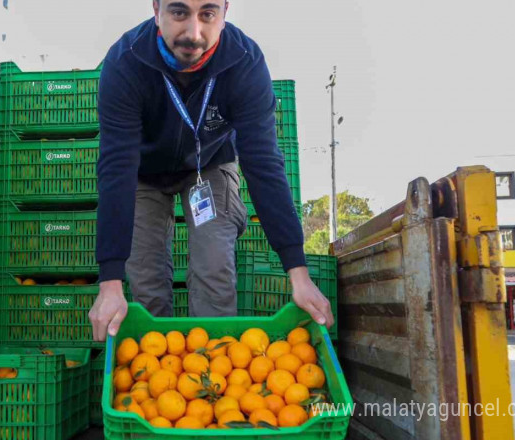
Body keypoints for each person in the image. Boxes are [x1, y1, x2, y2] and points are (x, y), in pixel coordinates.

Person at [89, 0, 334, 341]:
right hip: (142, 172)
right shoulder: (125, 61)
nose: (194, 33)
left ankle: (213, 369)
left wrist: (298, 273)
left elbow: (263, 163)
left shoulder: (244, 62)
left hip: (210, 164)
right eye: (179, 13)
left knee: (213, 265)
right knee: (145, 279)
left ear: (225, 11)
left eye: (207, 14)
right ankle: (160, 371)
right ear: (156, 8)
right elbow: (116, 166)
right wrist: (110, 281)